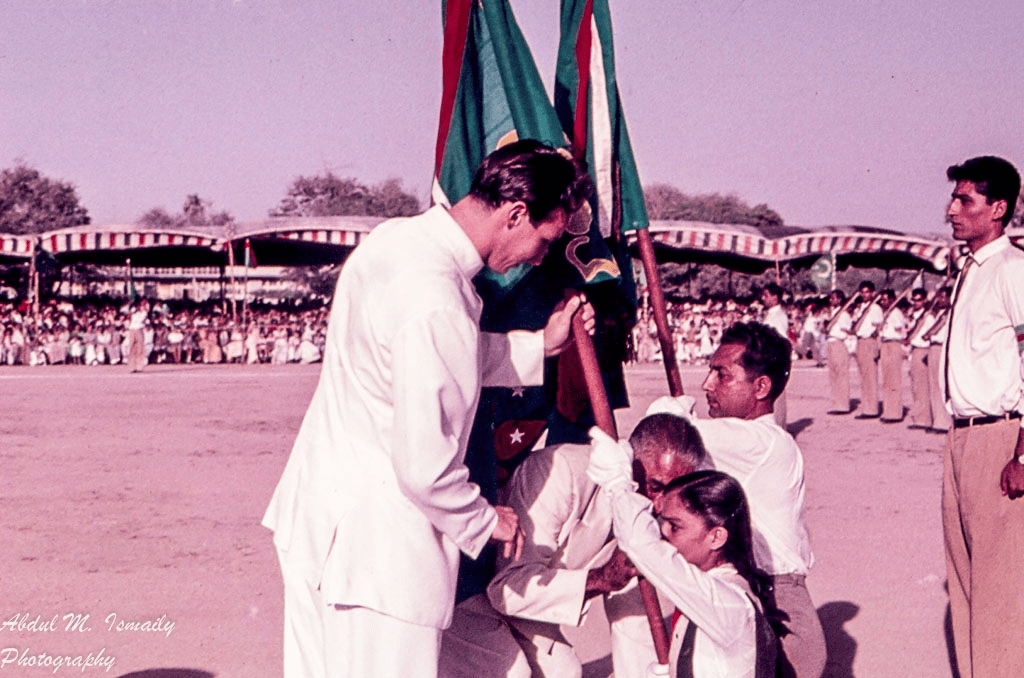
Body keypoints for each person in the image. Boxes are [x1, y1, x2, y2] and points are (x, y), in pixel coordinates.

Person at [261, 140, 594, 678]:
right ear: (514, 215)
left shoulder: (396, 240)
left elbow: (435, 356)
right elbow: (424, 468)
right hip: (381, 557)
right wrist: (487, 521)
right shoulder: (439, 298)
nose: (539, 257)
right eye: (544, 238)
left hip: (321, 523)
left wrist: (538, 346)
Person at [438, 413, 707, 678]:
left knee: (564, 672)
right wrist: (600, 579)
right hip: (463, 589)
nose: (658, 505)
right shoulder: (562, 471)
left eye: (670, 493)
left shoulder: (652, 516)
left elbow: (635, 622)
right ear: (629, 456)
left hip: (521, 608)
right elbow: (506, 589)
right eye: (655, 486)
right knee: (513, 672)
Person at [648, 322, 826, 678]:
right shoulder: (739, 442)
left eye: (722, 375)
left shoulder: (762, 441)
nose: (707, 385)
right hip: (750, 590)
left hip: (778, 605)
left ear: (761, 386)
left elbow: (661, 432)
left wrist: (673, 407)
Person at [586, 442, 780, 678]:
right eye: (663, 522)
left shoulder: (727, 601)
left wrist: (617, 485)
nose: (663, 532)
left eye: (675, 526)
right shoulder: (709, 595)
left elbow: (641, 546)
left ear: (716, 537)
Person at [939, 155, 1024, 678]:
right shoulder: (971, 269)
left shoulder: (1014, 270)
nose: (951, 210)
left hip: (1001, 437)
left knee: (1000, 587)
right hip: (961, 438)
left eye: (965, 200)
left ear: (998, 209)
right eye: (953, 198)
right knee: (965, 582)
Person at [903, 288, 934, 430]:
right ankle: (919, 416)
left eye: (919, 300)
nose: (916, 303)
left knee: (922, 386)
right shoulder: (914, 315)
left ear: (925, 300)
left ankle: (924, 419)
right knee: (916, 386)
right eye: (914, 300)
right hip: (914, 350)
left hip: (923, 349)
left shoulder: (927, 317)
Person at [851, 281, 882, 418]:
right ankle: (867, 407)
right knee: (863, 377)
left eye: (867, 292)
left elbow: (877, 327)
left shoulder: (874, 308)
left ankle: (871, 410)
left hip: (869, 341)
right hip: (860, 341)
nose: (865, 295)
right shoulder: (861, 308)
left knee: (870, 377)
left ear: (873, 293)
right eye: (862, 292)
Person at [924, 287, 953, 433]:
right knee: (933, 384)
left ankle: (944, 422)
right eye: (939, 297)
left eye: (944, 297)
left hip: (942, 347)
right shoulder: (936, 314)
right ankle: (936, 420)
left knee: (941, 385)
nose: (941, 300)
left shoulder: (949, 314)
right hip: (933, 347)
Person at [761, 284, 789, 427]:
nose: (763, 298)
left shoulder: (778, 316)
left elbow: (781, 341)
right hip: (769, 357)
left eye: (766, 295)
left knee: (777, 394)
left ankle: (779, 428)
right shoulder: (771, 314)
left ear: (775, 297)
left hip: (776, 359)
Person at [876, 289, 907, 423]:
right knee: (887, 380)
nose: (883, 302)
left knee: (894, 380)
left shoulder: (896, 313)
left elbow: (900, 330)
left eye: (885, 299)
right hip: (885, 343)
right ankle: (888, 411)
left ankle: (895, 413)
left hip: (893, 344)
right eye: (882, 299)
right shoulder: (885, 313)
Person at [824, 290, 853, 414]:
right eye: (831, 298)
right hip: (830, 342)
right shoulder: (831, 313)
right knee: (833, 375)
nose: (831, 300)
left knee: (841, 375)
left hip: (839, 343)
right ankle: (836, 404)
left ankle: (843, 406)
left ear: (840, 299)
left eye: (834, 298)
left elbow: (847, 330)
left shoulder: (843, 314)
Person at [125, 299, 149, 372]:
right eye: (141, 305)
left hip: (139, 329)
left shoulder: (143, 313)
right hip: (132, 330)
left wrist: (145, 309)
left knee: (140, 347)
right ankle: (132, 366)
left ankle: (139, 366)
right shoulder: (133, 312)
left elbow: (141, 319)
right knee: (132, 348)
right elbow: (128, 320)